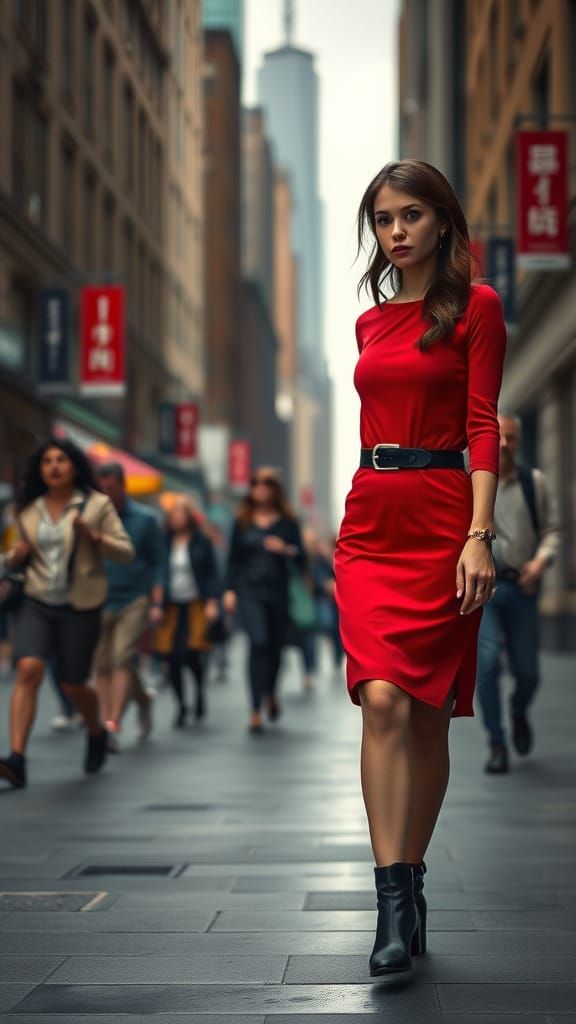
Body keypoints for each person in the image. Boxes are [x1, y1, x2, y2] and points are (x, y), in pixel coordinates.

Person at [334, 160, 506, 977]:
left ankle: (413, 877)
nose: (394, 232)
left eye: (409, 215)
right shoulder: (369, 325)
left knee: (428, 717)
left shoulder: (479, 308)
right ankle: (391, 903)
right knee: (380, 702)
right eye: (381, 219)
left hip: (444, 520)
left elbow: (481, 425)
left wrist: (480, 532)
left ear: (443, 220)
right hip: (371, 521)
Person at [0, 438, 134, 789]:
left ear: (74, 465)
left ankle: (96, 731)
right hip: (35, 600)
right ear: (39, 470)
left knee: (73, 684)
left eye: (61, 459)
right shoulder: (26, 510)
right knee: (29, 668)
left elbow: (126, 552)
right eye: (47, 461)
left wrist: (93, 537)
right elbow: (9, 555)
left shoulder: (96, 505)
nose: (54, 466)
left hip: (80, 605)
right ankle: (17, 759)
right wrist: (13, 559)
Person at [476, 413, 560, 774]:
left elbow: (553, 530)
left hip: (523, 587)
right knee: (489, 662)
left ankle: (519, 710)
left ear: (520, 441)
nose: (505, 444)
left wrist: (541, 562)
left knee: (528, 673)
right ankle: (496, 741)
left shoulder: (534, 482)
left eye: (511, 438)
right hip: (487, 589)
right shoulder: (474, 484)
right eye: (499, 437)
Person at [223, 468, 306, 733]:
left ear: (275, 490)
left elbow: (302, 558)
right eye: (256, 483)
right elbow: (233, 559)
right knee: (257, 643)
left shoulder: (288, 522)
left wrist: (286, 549)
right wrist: (229, 590)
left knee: (274, 646)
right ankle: (255, 709)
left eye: (267, 484)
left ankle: (270, 692)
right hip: (249, 591)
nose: (261, 488)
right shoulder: (242, 521)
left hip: (278, 591)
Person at [92, 462, 165, 748]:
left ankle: (111, 724)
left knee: (122, 656)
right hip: (98, 598)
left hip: (134, 598)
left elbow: (159, 562)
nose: (106, 494)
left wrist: (157, 600)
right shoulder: (92, 519)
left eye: (111, 488)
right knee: (102, 663)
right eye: (101, 490)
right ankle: (141, 699)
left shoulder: (145, 520)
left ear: (123, 486)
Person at [153, 497, 220, 727]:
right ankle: (181, 705)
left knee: (192, 654)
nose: (177, 519)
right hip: (171, 606)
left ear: (189, 517)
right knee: (171, 658)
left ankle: (199, 692)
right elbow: (157, 571)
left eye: (181, 514)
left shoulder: (201, 541)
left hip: (195, 604)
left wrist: (212, 602)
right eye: (174, 515)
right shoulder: (164, 541)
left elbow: (211, 573)